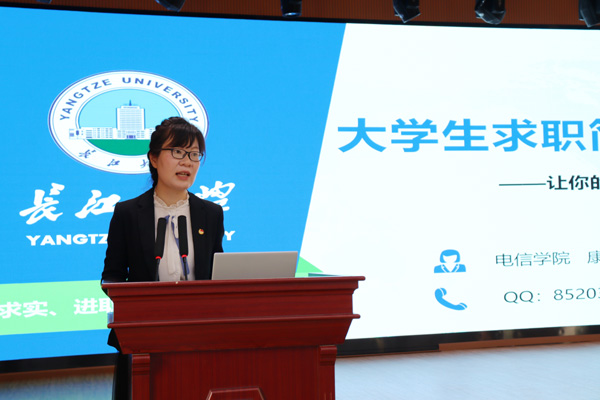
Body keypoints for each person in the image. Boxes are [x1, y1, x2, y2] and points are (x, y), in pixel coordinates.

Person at [101, 116, 225, 400]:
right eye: (178, 152)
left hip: (200, 335)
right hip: (144, 335)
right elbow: (112, 276)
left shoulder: (211, 213)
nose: (187, 162)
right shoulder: (128, 213)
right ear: (154, 159)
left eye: (194, 154)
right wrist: (135, 304)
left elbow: (217, 273)